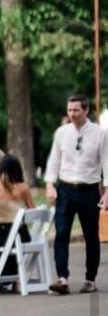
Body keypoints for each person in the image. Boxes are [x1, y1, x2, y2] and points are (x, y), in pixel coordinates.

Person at [44, 93, 108, 294]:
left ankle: (90, 279)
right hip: (65, 189)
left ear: (86, 110)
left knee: (91, 235)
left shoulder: (100, 133)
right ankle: (62, 278)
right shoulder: (62, 133)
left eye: (76, 110)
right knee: (61, 233)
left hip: (89, 189)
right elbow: (54, 159)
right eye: (69, 110)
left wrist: (107, 192)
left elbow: (107, 162)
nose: (72, 114)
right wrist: (49, 184)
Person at [0, 153, 35, 276]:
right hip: (22, 235)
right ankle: (15, 276)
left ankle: (0, 277)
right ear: (18, 170)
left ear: (0, 170)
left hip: (0, 237)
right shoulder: (24, 188)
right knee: (12, 247)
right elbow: (33, 211)